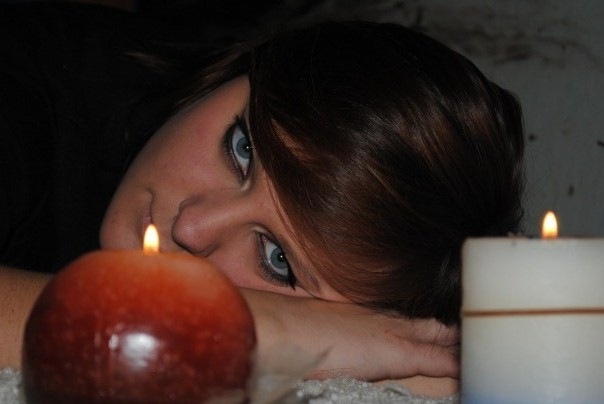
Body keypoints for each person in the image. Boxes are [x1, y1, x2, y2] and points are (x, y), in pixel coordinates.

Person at [0, 1, 524, 397]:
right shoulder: (31, 83)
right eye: (242, 149)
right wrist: (240, 328)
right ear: (242, 71)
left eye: (277, 261)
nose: (193, 226)